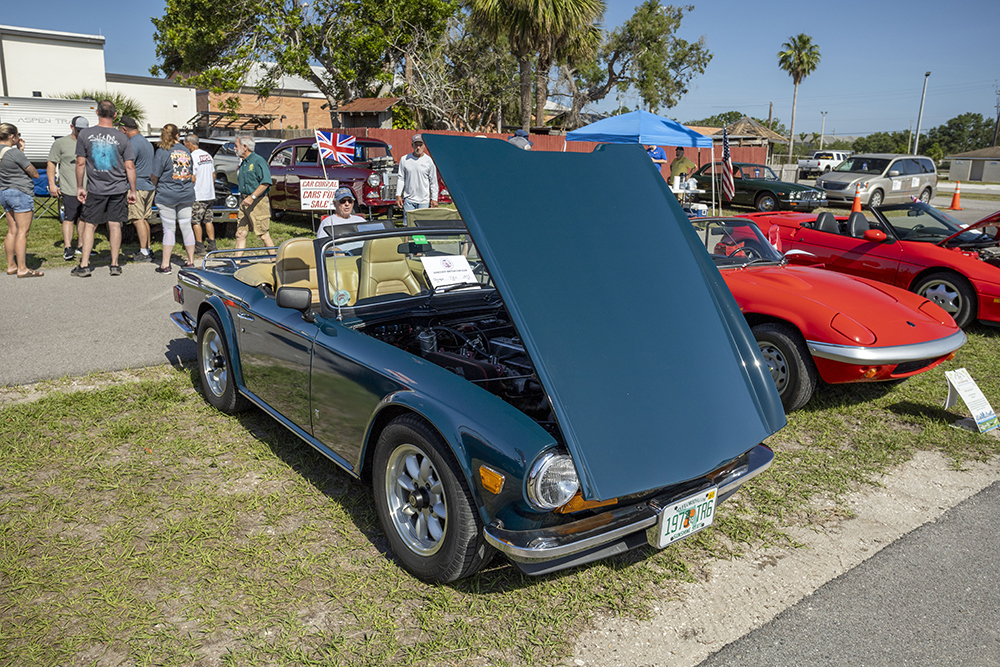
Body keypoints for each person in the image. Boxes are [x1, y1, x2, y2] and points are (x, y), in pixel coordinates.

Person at [73, 99, 137, 277]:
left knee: (90, 225)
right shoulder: (122, 137)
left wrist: (80, 186)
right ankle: (114, 264)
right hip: (118, 188)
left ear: (97, 112)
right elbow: (129, 166)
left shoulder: (85, 134)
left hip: (96, 188)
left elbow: (80, 163)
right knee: (115, 224)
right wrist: (132, 190)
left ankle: (84, 264)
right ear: (115, 115)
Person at [151, 124, 196, 273]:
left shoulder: (162, 151)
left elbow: (155, 175)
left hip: (167, 194)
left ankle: (165, 265)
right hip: (186, 193)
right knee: (186, 226)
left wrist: (153, 189)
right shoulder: (186, 150)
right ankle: (190, 261)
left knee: (169, 229)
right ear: (178, 135)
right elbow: (190, 171)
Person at [0, 123, 43, 277]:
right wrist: (20, 151)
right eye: (18, 135)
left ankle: (11, 265)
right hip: (20, 192)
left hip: (4, 191)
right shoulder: (14, 153)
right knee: (22, 232)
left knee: (12, 231)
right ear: (12, 136)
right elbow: (34, 173)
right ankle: (22, 268)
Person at [47, 115, 89, 261]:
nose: (81, 133)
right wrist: (52, 184)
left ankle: (82, 246)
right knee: (69, 217)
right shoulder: (60, 143)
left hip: (88, 189)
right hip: (69, 188)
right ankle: (68, 247)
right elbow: (51, 163)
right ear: (72, 127)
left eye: (84, 130)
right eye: (79, 130)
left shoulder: (89, 143)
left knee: (84, 218)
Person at [121, 116, 155, 262]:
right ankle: (147, 249)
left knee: (137, 219)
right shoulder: (146, 142)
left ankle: (144, 252)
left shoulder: (132, 143)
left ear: (124, 129)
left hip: (137, 186)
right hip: (148, 185)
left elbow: (128, 165)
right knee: (144, 219)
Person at [234, 136, 274, 251]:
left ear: (245, 147)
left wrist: (252, 197)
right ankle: (237, 261)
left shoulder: (258, 161)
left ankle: (275, 259)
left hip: (258, 202)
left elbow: (266, 182)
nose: (234, 148)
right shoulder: (243, 162)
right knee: (240, 233)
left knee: (263, 234)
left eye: (236, 146)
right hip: (244, 201)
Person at [185, 134, 217, 254]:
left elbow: (193, 178)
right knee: (208, 220)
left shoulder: (192, 157)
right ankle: (212, 244)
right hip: (209, 194)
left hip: (198, 194)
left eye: (185, 144)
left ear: (189, 143)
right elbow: (213, 175)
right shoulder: (207, 155)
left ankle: (199, 246)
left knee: (196, 221)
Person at [395, 134, 439, 213]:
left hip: (424, 201)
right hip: (409, 200)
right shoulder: (404, 159)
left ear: (424, 146)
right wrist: (398, 195)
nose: (418, 148)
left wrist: (434, 198)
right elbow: (401, 178)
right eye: (416, 145)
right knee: (408, 221)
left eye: (420, 145)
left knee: (422, 221)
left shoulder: (428, 161)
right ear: (412, 145)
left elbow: (433, 182)